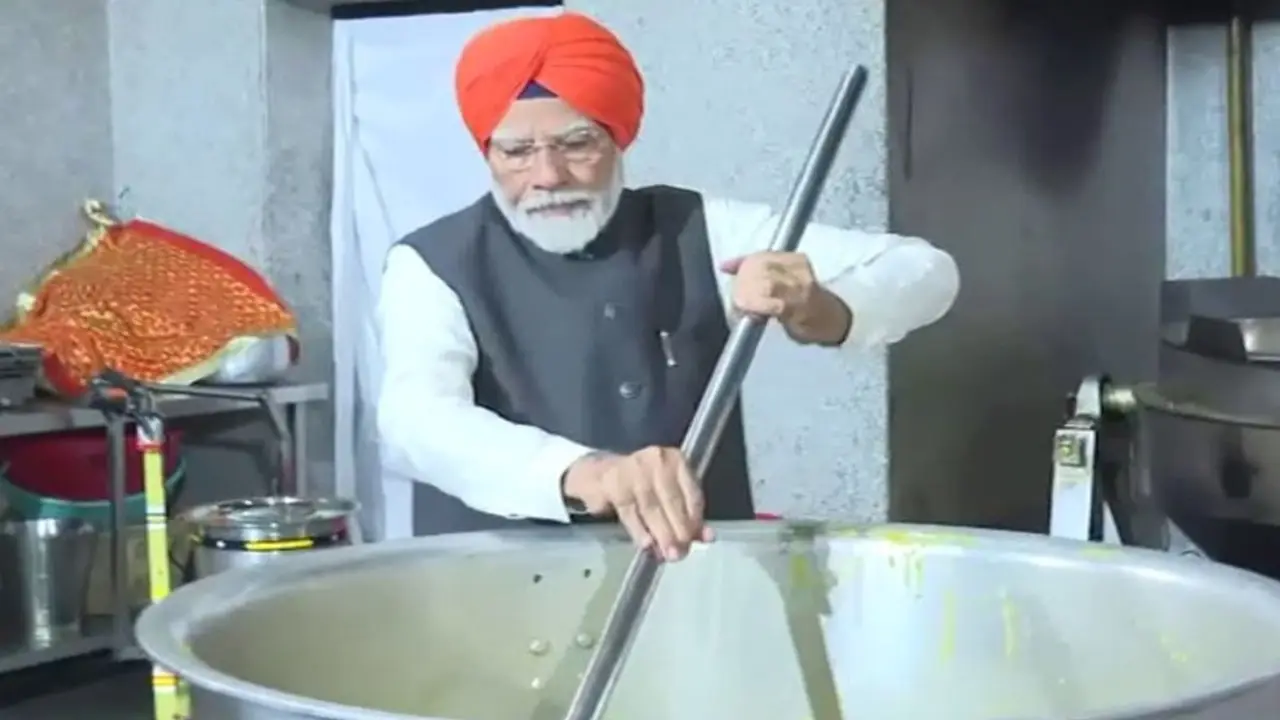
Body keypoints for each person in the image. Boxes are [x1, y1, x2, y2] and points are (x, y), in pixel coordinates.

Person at [377, 12, 959, 561]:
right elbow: (418, 420)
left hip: (692, 591)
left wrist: (819, 308)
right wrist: (592, 474)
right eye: (517, 151)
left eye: (577, 144)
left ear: (618, 138)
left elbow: (927, 272)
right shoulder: (431, 263)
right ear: (488, 151)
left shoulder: (702, 229)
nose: (548, 176)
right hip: (492, 597)